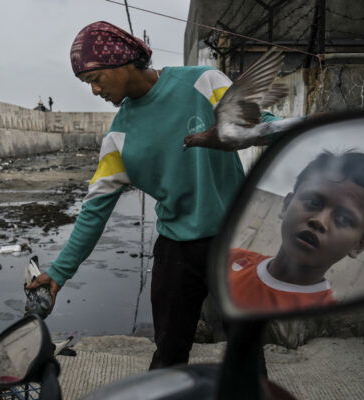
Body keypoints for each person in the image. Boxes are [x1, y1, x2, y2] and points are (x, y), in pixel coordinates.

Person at [26, 21, 279, 370]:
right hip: (175, 252)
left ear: (124, 62)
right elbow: (93, 211)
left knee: (247, 349)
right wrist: (57, 273)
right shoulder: (118, 138)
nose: (95, 90)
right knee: (169, 352)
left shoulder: (203, 82)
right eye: (88, 84)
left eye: (96, 78)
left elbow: (264, 123)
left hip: (232, 242)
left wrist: (306, 131)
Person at [229, 151, 364, 312]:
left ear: (359, 246)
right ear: (286, 205)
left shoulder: (318, 322)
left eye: (344, 219)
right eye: (313, 202)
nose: (319, 221)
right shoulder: (229, 260)